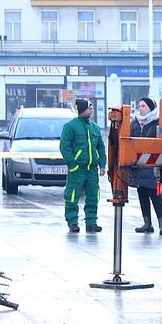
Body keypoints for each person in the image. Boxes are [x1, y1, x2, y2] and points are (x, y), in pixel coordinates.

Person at [60, 97, 106, 234]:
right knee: (72, 196)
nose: (91, 110)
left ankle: (91, 223)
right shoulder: (70, 126)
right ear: (82, 110)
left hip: (92, 170)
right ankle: (72, 223)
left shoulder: (95, 128)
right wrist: (72, 164)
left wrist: (102, 164)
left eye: (92, 108)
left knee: (93, 196)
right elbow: (64, 146)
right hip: (77, 170)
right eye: (89, 108)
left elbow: (101, 148)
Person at [130, 97, 162, 235]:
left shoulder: (158, 122)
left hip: (153, 167)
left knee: (155, 194)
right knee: (142, 194)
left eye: (144, 106)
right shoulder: (134, 123)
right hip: (138, 168)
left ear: (151, 108)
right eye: (139, 105)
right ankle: (147, 223)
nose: (140, 108)